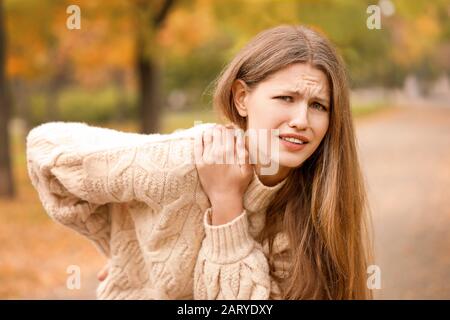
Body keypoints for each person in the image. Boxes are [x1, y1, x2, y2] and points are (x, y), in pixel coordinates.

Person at [27, 24, 373, 300]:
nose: (302, 120)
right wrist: (127, 247)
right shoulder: (184, 161)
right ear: (241, 99)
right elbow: (46, 149)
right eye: (286, 98)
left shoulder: (318, 198)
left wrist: (227, 207)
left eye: (318, 106)